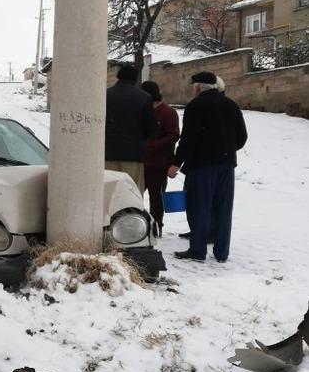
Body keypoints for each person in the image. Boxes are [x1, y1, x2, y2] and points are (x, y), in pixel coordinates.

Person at [169, 72, 248, 263]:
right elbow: (242, 137)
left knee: (200, 207)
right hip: (226, 165)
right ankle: (221, 253)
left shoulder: (195, 106)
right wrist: (226, 150)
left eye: (193, 86)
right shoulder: (231, 104)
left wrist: (176, 163)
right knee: (223, 208)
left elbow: (188, 139)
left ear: (198, 87)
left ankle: (197, 251)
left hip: (202, 166)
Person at [105, 66, 156, 193]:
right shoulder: (144, 97)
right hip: (133, 155)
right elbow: (151, 128)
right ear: (135, 79)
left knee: (109, 192)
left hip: (107, 153)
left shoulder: (105, 95)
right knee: (131, 192)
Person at [140, 81, 180, 237]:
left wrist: (152, 145)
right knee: (135, 196)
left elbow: (174, 135)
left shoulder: (168, 112)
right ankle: (136, 226)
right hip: (141, 163)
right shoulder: (144, 111)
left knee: (157, 199)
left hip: (159, 164)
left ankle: (156, 227)